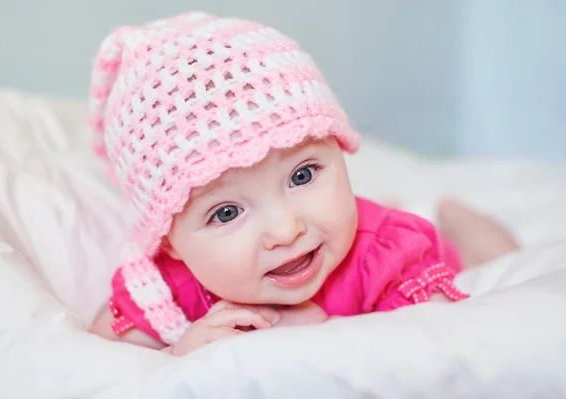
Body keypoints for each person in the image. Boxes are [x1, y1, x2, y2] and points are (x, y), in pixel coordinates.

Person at [87, 12, 518, 356]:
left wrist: (322, 331)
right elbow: (100, 353)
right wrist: (179, 353)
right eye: (226, 212)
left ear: (338, 147)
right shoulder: (171, 288)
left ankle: (452, 215)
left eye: (302, 175)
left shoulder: (387, 255)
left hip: (426, 250)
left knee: (493, 256)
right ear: (169, 242)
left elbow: (436, 342)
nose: (285, 230)